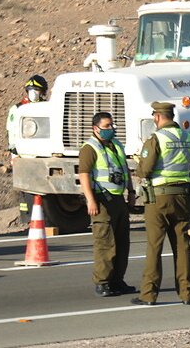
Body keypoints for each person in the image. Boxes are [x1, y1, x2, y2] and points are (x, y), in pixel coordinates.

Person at [131, 101, 190, 306]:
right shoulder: (188, 137)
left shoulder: (156, 138)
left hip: (159, 198)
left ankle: (149, 294)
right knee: (182, 246)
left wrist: (139, 164)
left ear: (157, 117)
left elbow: (146, 169)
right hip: (183, 196)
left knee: (154, 246)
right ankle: (187, 293)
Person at [78, 112, 136, 297]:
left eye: (112, 126)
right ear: (96, 129)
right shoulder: (89, 148)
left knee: (122, 242)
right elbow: (84, 174)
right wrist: (90, 200)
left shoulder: (116, 145)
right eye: (107, 126)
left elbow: (125, 169)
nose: (111, 129)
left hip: (118, 199)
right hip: (102, 201)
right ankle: (102, 282)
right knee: (105, 243)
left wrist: (131, 191)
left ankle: (117, 280)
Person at [6, 75, 48, 162]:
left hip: (44, 153)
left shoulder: (48, 108)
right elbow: (11, 132)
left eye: (36, 89)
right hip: (23, 154)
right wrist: (14, 154)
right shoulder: (17, 109)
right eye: (30, 89)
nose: (33, 92)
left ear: (42, 92)